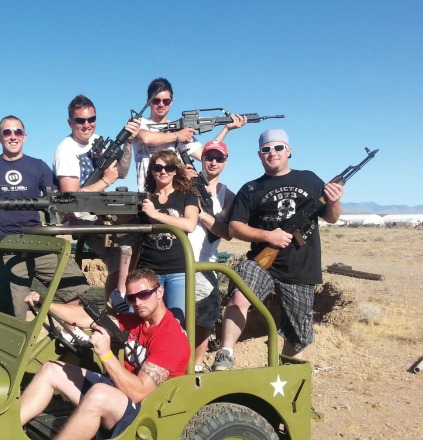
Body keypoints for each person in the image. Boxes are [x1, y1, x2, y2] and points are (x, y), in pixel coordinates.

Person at [211, 129, 343, 371]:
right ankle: (226, 353)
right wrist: (267, 235)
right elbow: (235, 227)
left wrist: (334, 201)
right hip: (262, 262)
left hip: (301, 267)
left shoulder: (310, 179)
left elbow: (331, 217)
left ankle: (285, 370)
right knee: (240, 296)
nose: (273, 153)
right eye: (266, 149)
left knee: (298, 333)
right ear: (260, 155)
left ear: (289, 151)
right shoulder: (251, 189)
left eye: (278, 148)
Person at [20, 268, 190, 440]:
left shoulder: (171, 338)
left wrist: (106, 354)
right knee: (51, 369)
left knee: (99, 394)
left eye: (144, 294)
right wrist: (46, 304)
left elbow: (138, 393)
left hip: (148, 413)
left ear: (160, 292)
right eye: (131, 298)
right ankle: (9, 435)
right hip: (122, 396)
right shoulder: (137, 320)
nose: (138, 302)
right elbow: (86, 318)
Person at [0, 115, 89, 319]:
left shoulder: (38, 166)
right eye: (7, 132)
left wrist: (70, 217)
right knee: (13, 312)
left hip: (39, 241)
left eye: (17, 132)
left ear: (24, 136)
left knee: (77, 289)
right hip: (6, 246)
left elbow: (57, 199)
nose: (12, 136)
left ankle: (67, 339)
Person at [53, 94, 141, 307]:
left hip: (101, 209)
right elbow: (71, 198)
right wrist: (104, 181)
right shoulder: (66, 150)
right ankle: (115, 306)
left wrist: (128, 144)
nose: (87, 125)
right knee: (119, 260)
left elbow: (121, 171)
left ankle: (119, 303)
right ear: (70, 122)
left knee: (138, 233)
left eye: (91, 119)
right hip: (80, 216)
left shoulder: (96, 141)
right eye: (80, 121)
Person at [133, 77, 244, 192]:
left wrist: (226, 129)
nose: (161, 104)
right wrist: (177, 136)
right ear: (148, 102)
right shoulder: (140, 123)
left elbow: (205, 155)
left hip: (175, 199)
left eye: (166, 101)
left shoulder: (180, 130)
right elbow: (144, 138)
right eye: (156, 100)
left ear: (171, 102)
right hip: (147, 195)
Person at [185, 140, 236, 372]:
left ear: (226, 162)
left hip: (205, 264)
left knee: (203, 319)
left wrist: (202, 213)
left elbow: (226, 232)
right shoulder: (185, 185)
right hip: (178, 262)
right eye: (209, 157)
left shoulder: (228, 195)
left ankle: (195, 366)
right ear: (202, 159)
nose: (213, 162)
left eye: (219, 158)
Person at [137, 150, 199, 326]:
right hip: (149, 271)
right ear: (152, 171)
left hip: (178, 270)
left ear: (175, 171)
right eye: (158, 167)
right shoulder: (144, 199)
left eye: (169, 167)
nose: (163, 171)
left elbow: (189, 225)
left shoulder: (188, 197)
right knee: (147, 322)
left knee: (177, 322)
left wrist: (155, 214)